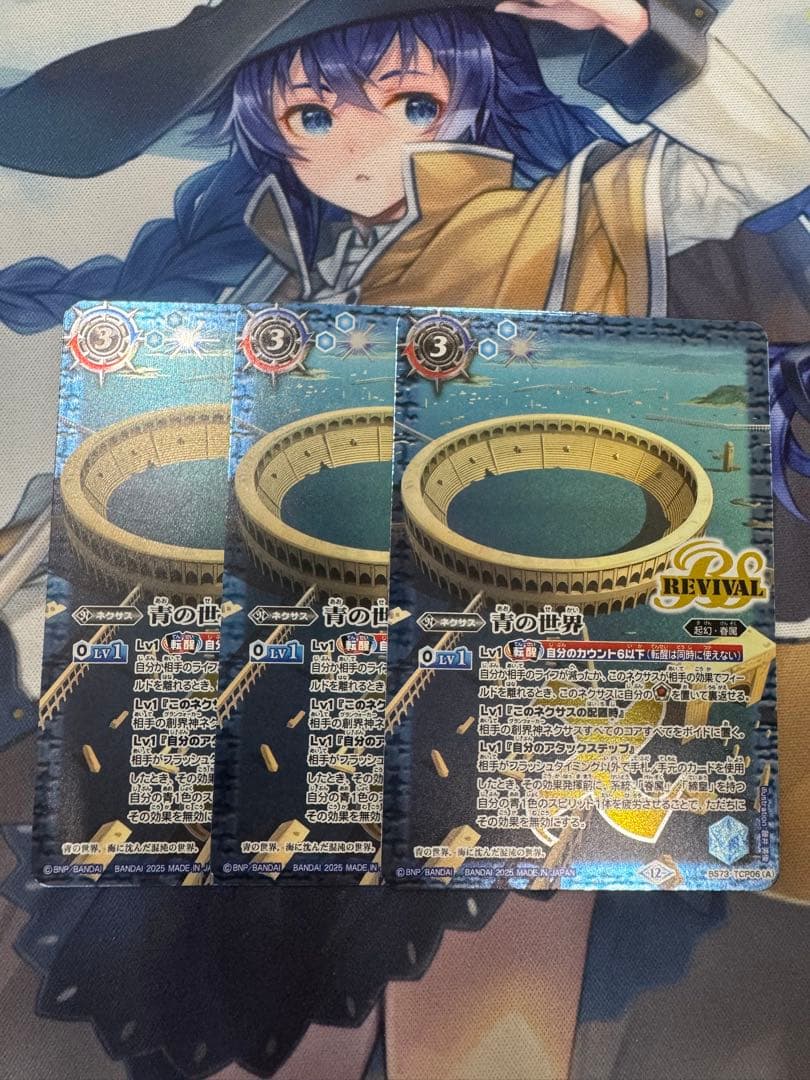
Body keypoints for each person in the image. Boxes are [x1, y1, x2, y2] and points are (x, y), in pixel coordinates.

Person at [0, 0, 808, 332]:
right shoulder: (284, 268)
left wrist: (641, 30)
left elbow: (770, 169)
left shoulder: (575, 212)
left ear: (478, 100)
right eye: (314, 117)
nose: (362, 149)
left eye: (415, 104)